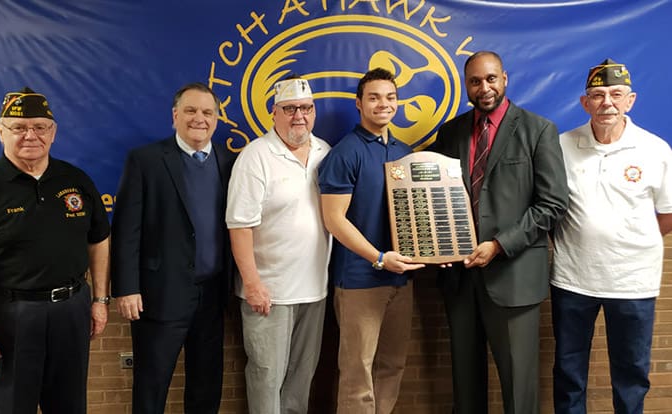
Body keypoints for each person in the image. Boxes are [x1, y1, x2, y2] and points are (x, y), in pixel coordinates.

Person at [428, 51, 568, 414]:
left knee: (519, 391)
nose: (484, 87)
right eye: (475, 81)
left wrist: (499, 245)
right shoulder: (451, 132)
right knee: (465, 386)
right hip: (460, 278)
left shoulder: (539, 130)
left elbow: (552, 204)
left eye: (491, 79)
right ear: (466, 85)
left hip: (514, 275)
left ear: (505, 78)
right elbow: (438, 197)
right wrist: (439, 247)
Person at [0, 87, 110, 413]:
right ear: (0, 130)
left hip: (71, 312)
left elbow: (99, 238)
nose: (30, 135)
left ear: (54, 132)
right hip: (9, 317)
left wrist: (100, 300)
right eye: (19, 128)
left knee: (69, 406)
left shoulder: (76, 180)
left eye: (40, 127)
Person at [551, 59, 672, 414]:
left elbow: (667, 215)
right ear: (584, 102)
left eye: (616, 94)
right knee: (569, 373)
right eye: (598, 95)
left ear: (630, 100)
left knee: (632, 374)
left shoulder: (655, 150)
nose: (607, 102)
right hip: (573, 279)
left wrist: (627, 240)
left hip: (633, 282)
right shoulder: (560, 146)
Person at [110, 82, 236, 414]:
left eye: (208, 112)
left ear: (217, 119)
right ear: (175, 116)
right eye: (191, 111)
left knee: (206, 385)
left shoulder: (230, 161)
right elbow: (125, 230)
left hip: (211, 295)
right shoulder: (146, 160)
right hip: (158, 295)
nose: (200, 119)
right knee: (152, 387)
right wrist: (126, 288)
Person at [318, 67, 425, 414]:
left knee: (392, 367)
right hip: (360, 283)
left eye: (390, 97)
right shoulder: (344, 153)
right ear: (359, 104)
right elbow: (333, 220)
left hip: (401, 279)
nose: (384, 104)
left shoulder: (404, 151)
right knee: (357, 373)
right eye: (375, 97)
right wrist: (378, 258)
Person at [226, 76, 331, 413]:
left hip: (315, 290)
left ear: (313, 112)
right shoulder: (255, 156)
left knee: (301, 379)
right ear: (274, 113)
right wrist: (253, 284)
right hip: (269, 293)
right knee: (266, 377)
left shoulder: (324, 152)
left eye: (305, 108)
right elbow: (239, 226)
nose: (298, 115)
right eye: (289, 109)